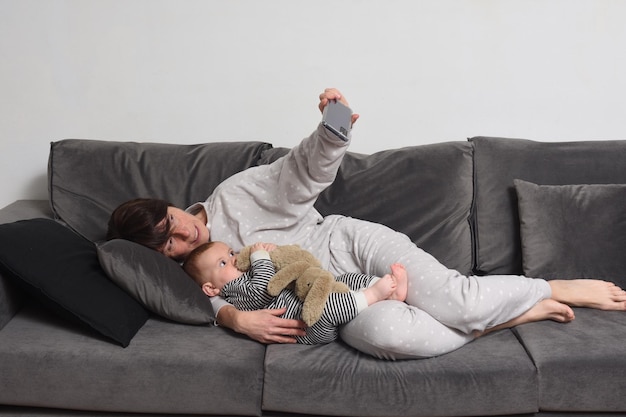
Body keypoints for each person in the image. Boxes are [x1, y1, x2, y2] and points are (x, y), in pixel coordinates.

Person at [107, 88, 626, 359]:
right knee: (391, 338)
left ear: (169, 205)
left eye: (173, 220)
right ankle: (514, 317)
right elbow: (207, 295)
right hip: (337, 298)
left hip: (347, 244)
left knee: (459, 299)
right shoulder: (182, 272)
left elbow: (298, 174)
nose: (185, 234)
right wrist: (233, 318)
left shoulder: (232, 195)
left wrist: (332, 127)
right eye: (170, 243)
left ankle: (551, 286)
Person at [182, 241, 407, 345]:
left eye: (231, 252)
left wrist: (273, 253)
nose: (233, 259)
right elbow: (264, 290)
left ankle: (388, 290)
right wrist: (260, 258)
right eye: (223, 263)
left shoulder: (246, 274)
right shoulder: (235, 291)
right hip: (308, 326)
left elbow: (284, 271)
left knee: (341, 279)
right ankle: (373, 295)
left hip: (306, 300)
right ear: (211, 288)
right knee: (327, 307)